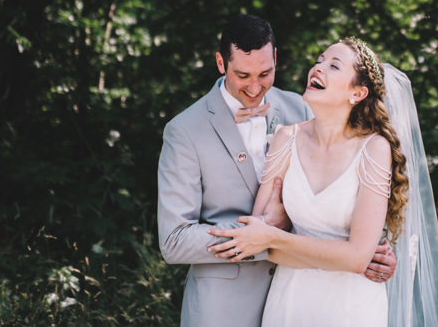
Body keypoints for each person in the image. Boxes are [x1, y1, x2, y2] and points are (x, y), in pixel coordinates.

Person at [157, 16, 397, 327]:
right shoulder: (185, 131)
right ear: (220, 62)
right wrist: (258, 235)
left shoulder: (304, 108)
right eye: (243, 75)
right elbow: (175, 240)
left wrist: (373, 254)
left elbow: (345, 206)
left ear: (275, 59)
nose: (255, 87)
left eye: (265, 73)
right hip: (225, 308)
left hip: (315, 299)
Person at [207, 37, 411, 327]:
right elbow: (255, 239)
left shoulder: (374, 149)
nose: (318, 67)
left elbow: (356, 257)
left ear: (358, 92)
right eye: (319, 60)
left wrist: (276, 238)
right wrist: (342, 257)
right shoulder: (286, 139)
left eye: (334, 65)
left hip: (351, 308)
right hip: (289, 302)